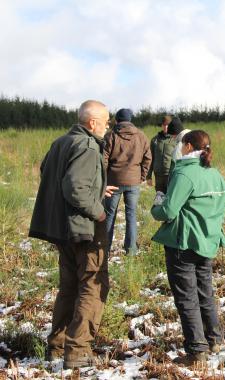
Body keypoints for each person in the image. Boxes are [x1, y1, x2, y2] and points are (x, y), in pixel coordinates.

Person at [28, 100, 118, 369]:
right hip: (83, 228)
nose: (108, 125)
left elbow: (52, 175)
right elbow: (74, 187)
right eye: (106, 120)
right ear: (92, 123)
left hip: (62, 228)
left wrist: (96, 191)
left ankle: (56, 347)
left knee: (68, 287)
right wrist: (98, 210)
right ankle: (77, 351)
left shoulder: (60, 142)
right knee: (93, 284)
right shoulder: (89, 146)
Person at [150, 130, 225, 367]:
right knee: (205, 292)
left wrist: (157, 204)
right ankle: (214, 339)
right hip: (208, 241)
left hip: (183, 244)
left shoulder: (185, 174)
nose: (177, 147)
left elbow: (168, 211)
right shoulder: (216, 175)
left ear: (188, 146)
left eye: (180, 143)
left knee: (186, 298)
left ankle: (196, 350)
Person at [103, 108, 151, 255]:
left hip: (113, 181)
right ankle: (131, 250)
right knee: (131, 214)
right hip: (133, 182)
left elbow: (103, 159)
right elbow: (147, 159)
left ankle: (104, 248)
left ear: (116, 120)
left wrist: (103, 179)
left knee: (109, 214)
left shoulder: (110, 135)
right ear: (130, 120)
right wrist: (141, 177)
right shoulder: (141, 136)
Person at [146, 115, 176, 193]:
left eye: (168, 125)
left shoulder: (175, 140)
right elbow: (151, 158)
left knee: (170, 199)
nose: (166, 127)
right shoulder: (154, 140)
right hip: (158, 176)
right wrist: (148, 176)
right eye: (164, 125)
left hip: (171, 175)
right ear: (162, 125)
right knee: (159, 199)